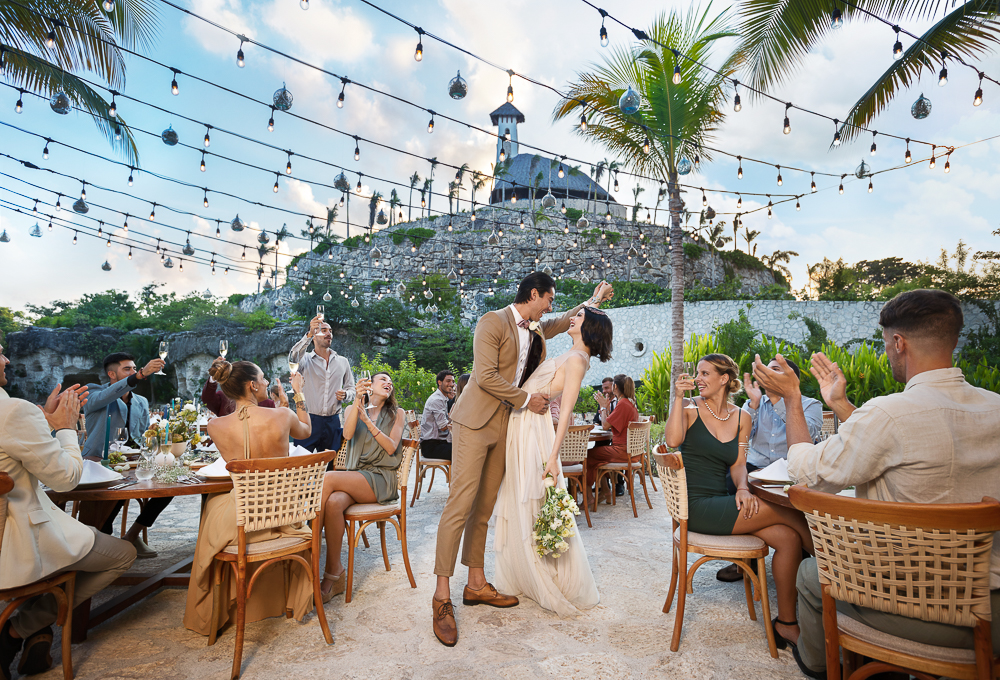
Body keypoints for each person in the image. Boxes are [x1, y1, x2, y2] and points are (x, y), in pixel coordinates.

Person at [750, 289, 1000, 680]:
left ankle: (819, 665)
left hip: (919, 607)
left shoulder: (888, 413)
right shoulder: (995, 406)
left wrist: (793, 401)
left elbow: (806, 472)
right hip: (992, 608)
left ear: (898, 343)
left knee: (812, 574)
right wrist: (841, 403)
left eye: (886, 344)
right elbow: (889, 442)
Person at [431, 274, 613, 647]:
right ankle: (441, 597)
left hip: (508, 428)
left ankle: (476, 583)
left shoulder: (539, 329)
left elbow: (566, 319)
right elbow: (483, 376)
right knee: (460, 505)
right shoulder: (492, 321)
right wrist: (526, 400)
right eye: (548, 299)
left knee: (484, 509)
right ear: (534, 294)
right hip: (474, 421)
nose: (550, 305)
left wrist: (592, 299)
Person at [0, 341, 136, 679]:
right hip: (18, 541)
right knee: (122, 553)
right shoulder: (13, 411)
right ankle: (19, 629)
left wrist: (44, 420)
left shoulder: (16, 414)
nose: (5, 359)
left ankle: (39, 633)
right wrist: (65, 427)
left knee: (72, 558)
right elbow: (65, 480)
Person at [664, 353, 814, 653]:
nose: (699, 379)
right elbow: (671, 440)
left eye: (706, 373)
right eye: (699, 373)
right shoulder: (690, 408)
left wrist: (743, 488)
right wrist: (678, 398)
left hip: (724, 499)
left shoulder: (742, 416)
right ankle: (837, 569)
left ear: (724, 379)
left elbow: (738, 464)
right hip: (696, 507)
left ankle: (787, 623)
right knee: (790, 514)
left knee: (788, 539)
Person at [494, 304, 613, 616]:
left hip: (535, 430)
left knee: (533, 498)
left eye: (579, 317)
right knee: (523, 496)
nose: (571, 318)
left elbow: (567, 411)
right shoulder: (572, 353)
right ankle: (525, 571)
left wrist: (553, 456)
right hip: (523, 422)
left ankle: (542, 574)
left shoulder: (577, 359)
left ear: (589, 329)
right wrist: (594, 299)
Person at [183, 359, 315, 636]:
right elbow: (306, 431)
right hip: (284, 513)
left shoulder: (216, 426)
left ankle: (226, 597)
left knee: (211, 505)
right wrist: (297, 393)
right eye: (264, 378)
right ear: (253, 385)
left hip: (243, 516)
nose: (267, 382)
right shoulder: (281, 415)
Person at [716, 358, 823, 583]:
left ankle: (800, 555)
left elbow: (810, 434)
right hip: (756, 468)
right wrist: (753, 407)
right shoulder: (755, 401)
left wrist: (779, 400)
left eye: (775, 370)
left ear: (790, 379)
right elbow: (737, 436)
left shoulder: (811, 404)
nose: (767, 373)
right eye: (766, 369)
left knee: (800, 499)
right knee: (731, 485)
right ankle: (745, 557)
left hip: (792, 469)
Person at [317, 372, 406, 601]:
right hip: (357, 476)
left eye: (390, 381)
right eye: (383, 379)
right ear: (369, 386)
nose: (389, 383)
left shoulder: (397, 414)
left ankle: (310, 540)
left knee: (328, 479)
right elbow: (346, 434)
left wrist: (368, 422)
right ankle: (333, 574)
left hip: (381, 478)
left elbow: (390, 447)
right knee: (334, 502)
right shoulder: (351, 410)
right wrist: (357, 402)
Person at [83, 352, 166, 558]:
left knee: (169, 483)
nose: (132, 371)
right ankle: (100, 541)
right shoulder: (94, 394)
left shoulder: (141, 402)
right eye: (126, 369)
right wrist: (138, 376)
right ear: (112, 374)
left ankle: (132, 535)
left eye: (133, 368)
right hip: (98, 464)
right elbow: (107, 395)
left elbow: (144, 435)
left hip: (135, 463)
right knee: (120, 486)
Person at [288, 316, 356, 456]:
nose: (329, 333)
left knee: (331, 467)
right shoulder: (304, 359)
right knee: (300, 464)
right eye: (323, 330)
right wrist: (308, 335)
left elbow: (352, 389)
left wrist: (346, 394)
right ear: (314, 336)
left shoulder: (343, 361)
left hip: (333, 421)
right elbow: (293, 356)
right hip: (308, 420)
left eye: (330, 331)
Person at [588, 375, 638, 504]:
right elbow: (611, 423)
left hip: (622, 451)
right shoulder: (629, 403)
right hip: (630, 451)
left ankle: (589, 497)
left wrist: (603, 407)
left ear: (615, 386)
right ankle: (605, 491)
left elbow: (605, 426)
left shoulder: (622, 404)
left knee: (587, 456)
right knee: (597, 454)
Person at [201, 357, 275, 416]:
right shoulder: (223, 399)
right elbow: (207, 399)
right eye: (262, 378)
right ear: (253, 384)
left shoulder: (269, 404)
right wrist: (215, 375)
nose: (267, 382)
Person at [420, 370, 454, 461]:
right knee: (463, 451)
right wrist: (455, 419)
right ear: (439, 382)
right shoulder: (437, 400)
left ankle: (456, 475)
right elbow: (443, 427)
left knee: (464, 447)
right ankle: (458, 475)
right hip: (431, 446)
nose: (451, 384)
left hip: (438, 443)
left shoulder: (443, 399)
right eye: (448, 381)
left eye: (453, 381)